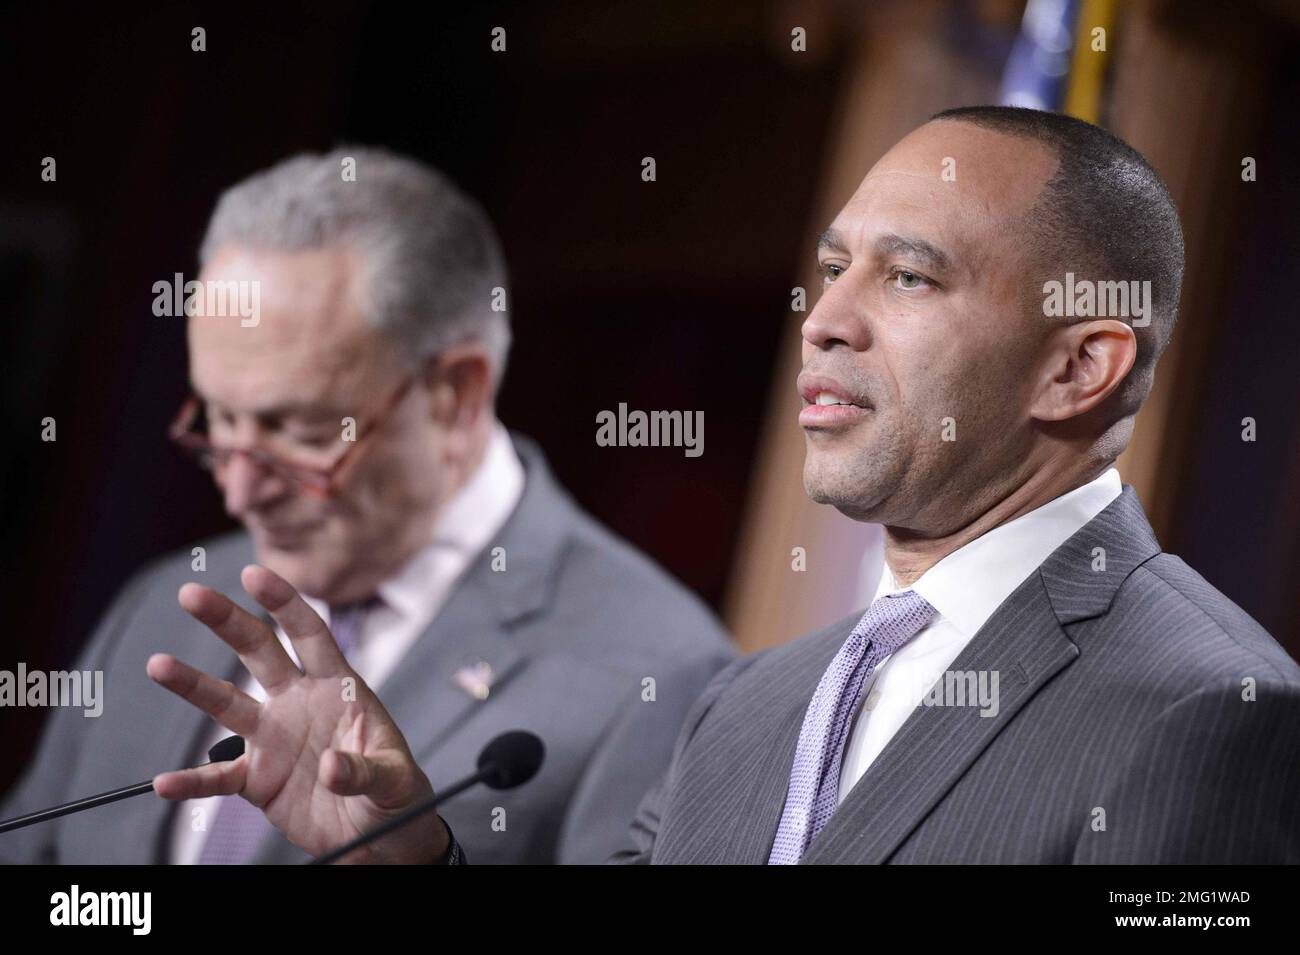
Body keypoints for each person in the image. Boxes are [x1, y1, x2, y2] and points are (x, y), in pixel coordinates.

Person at [66, 107, 1300, 866]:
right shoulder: (757, 703)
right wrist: (405, 854)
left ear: (1080, 363)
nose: (825, 322)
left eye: (910, 279)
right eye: (829, 270)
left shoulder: (1208, 708)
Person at [0, 147, 733, 865]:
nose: (239, 491)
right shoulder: (164, 600)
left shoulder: (660, 673)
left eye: (302, 431)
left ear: (455, 396)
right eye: (220, 422)